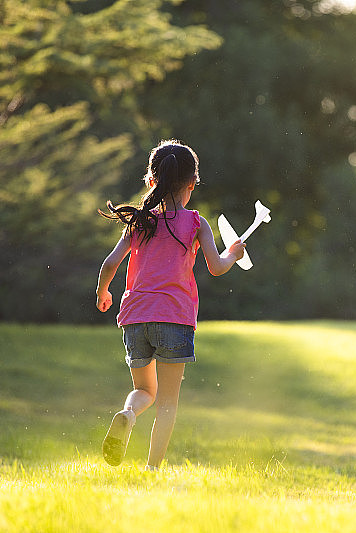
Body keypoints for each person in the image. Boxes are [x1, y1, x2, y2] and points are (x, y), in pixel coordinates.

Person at [95, 139, 246, 471]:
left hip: (134, 318)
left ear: (151, 181)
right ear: (191, 185)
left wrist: (102, 293)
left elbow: (109, 264)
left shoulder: (139, 221)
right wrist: (234, 254)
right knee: (167, 402)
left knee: (143, 390)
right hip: (174, 319)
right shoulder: (195, 223)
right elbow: (216, 267)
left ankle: (128, 414)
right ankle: (151, 470)